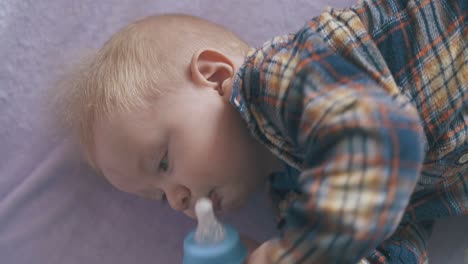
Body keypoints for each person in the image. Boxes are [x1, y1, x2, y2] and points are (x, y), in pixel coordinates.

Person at [56, 0, 467, 263]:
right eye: (160, 198)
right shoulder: (294, 199)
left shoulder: (280, 74)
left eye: (163, 162)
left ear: (215, 75)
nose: (178, 197)